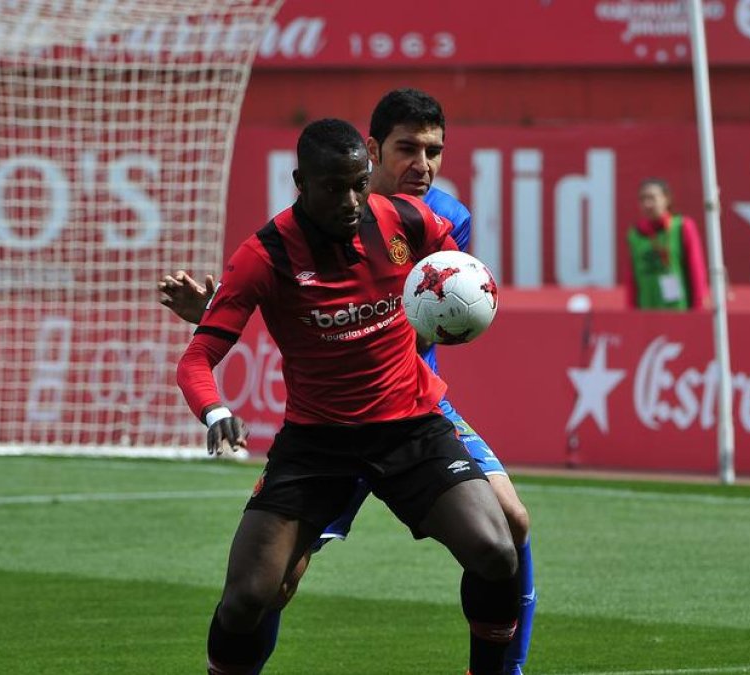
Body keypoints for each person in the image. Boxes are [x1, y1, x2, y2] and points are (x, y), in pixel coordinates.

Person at [161, 89, 538, 674]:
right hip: (318, 444)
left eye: (359, 185)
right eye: (335, 188)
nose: (351, 201)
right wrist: (216, 411)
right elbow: (196, 360)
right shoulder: (264, 255)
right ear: (301, 183)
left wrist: (466, 300)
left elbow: (454, 275)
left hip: (410, 426)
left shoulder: (406, 220)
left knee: (496, 547)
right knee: (251, 597)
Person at [625, 178, 709, 310]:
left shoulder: (682, 226)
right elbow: (632, 277)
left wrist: (698, 306)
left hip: (678, 309)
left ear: (666, 199)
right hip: (646, 309)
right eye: (642, 199)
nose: (647, 204)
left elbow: (696, 268)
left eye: (652, 198)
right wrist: (631, 310)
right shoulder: (635, 234)